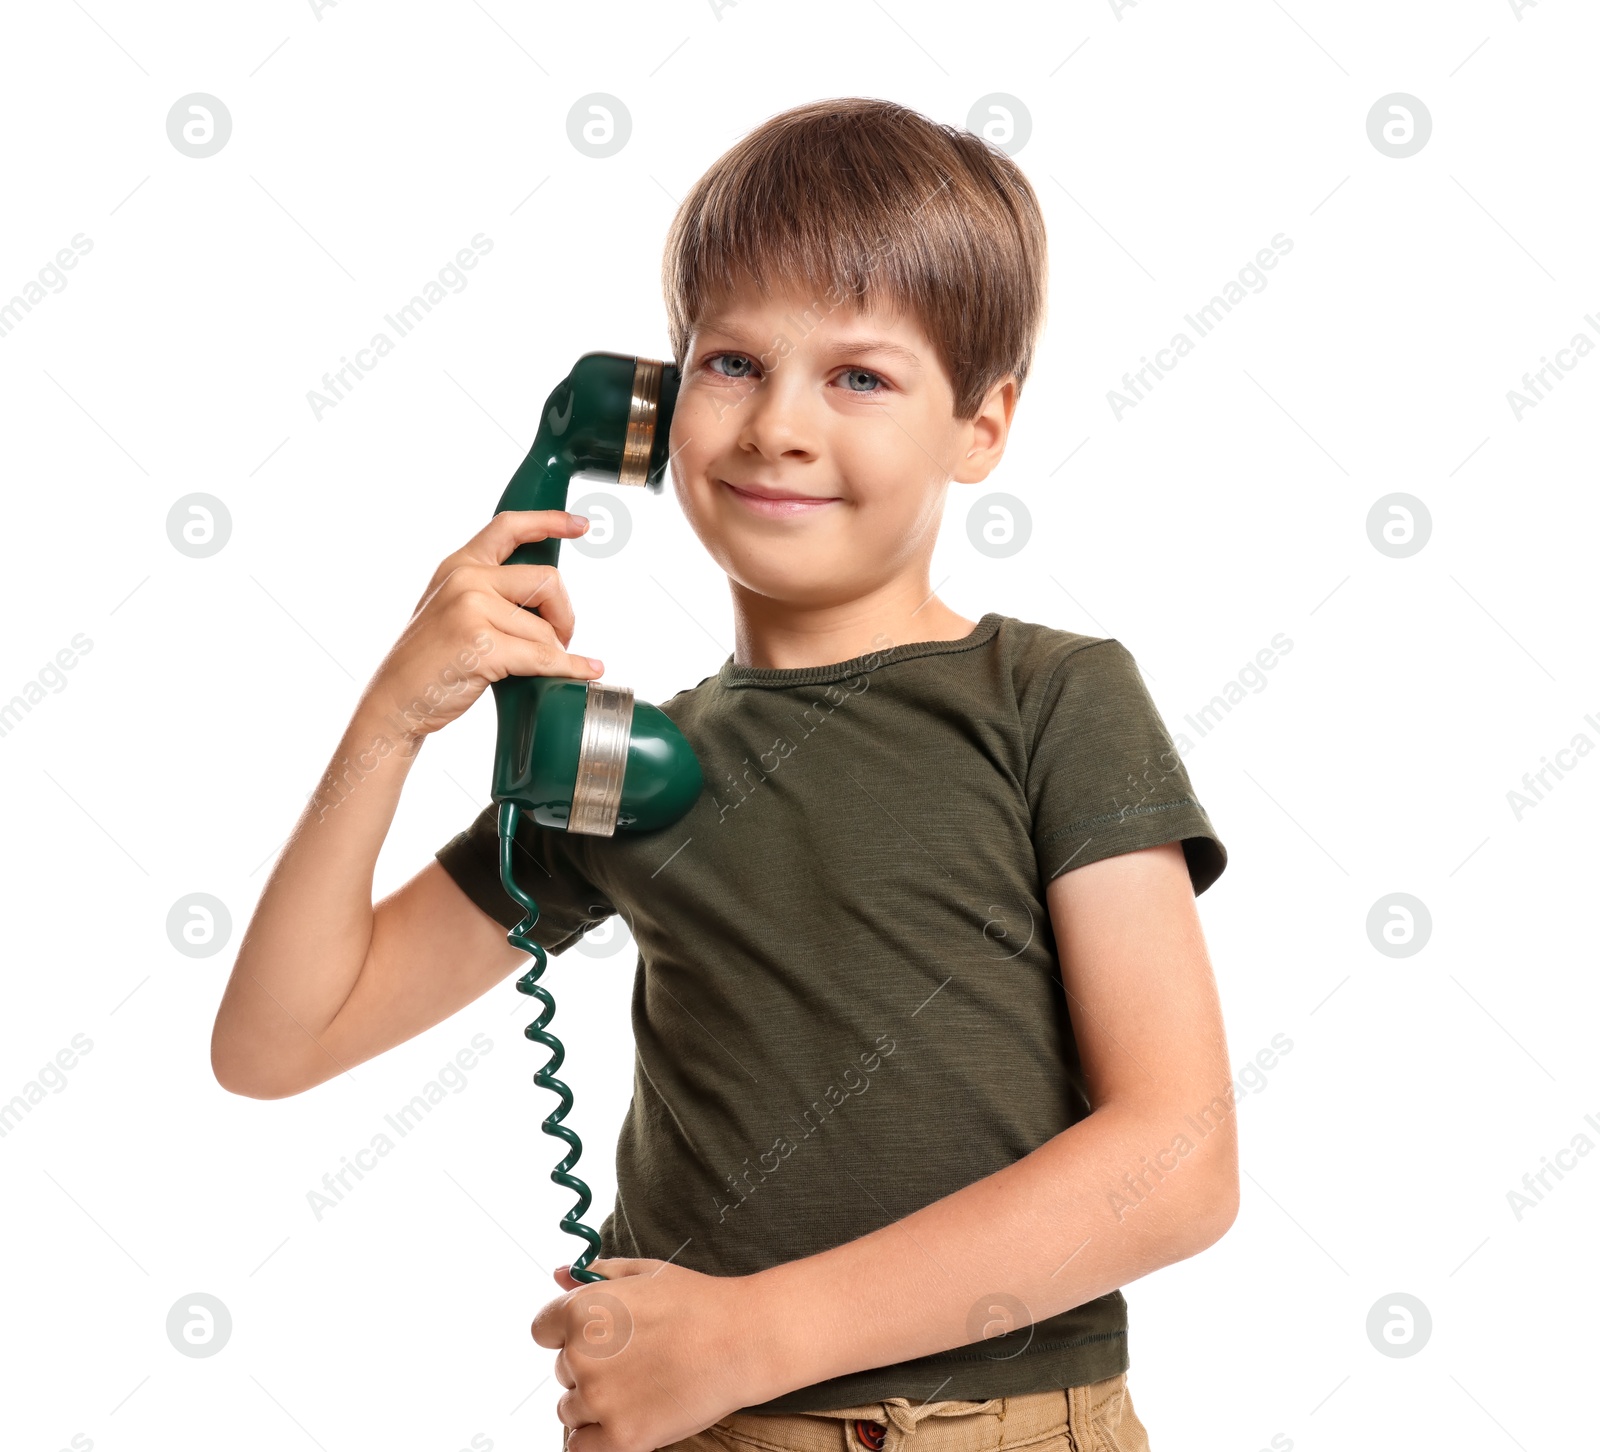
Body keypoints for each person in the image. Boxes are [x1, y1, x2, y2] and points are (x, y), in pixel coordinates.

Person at [212, 97, 1235, 1452]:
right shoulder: (631, 772)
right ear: (647, 408)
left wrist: (755, 1337)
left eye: (860, 377)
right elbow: (276, 1042)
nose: (777, 430)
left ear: (980, 428)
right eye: (733, 363)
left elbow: (1180, 1162)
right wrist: (390, 725)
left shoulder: (1050, 697)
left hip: (995, 1425)